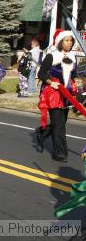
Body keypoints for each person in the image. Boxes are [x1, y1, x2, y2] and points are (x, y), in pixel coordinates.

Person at [36, 29, 77, 163]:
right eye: (66, 40)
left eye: (71, 40)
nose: (69, 43)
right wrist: (51, 82)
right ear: (60, 42)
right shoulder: (52, 56)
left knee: (59, 124)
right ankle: (59, 153)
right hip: (53, 94)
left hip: (67, 95)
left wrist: (75, 89)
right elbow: (41, 74)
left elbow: (73, 76)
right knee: (59, 126)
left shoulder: (73, 57)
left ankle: (42, 133)